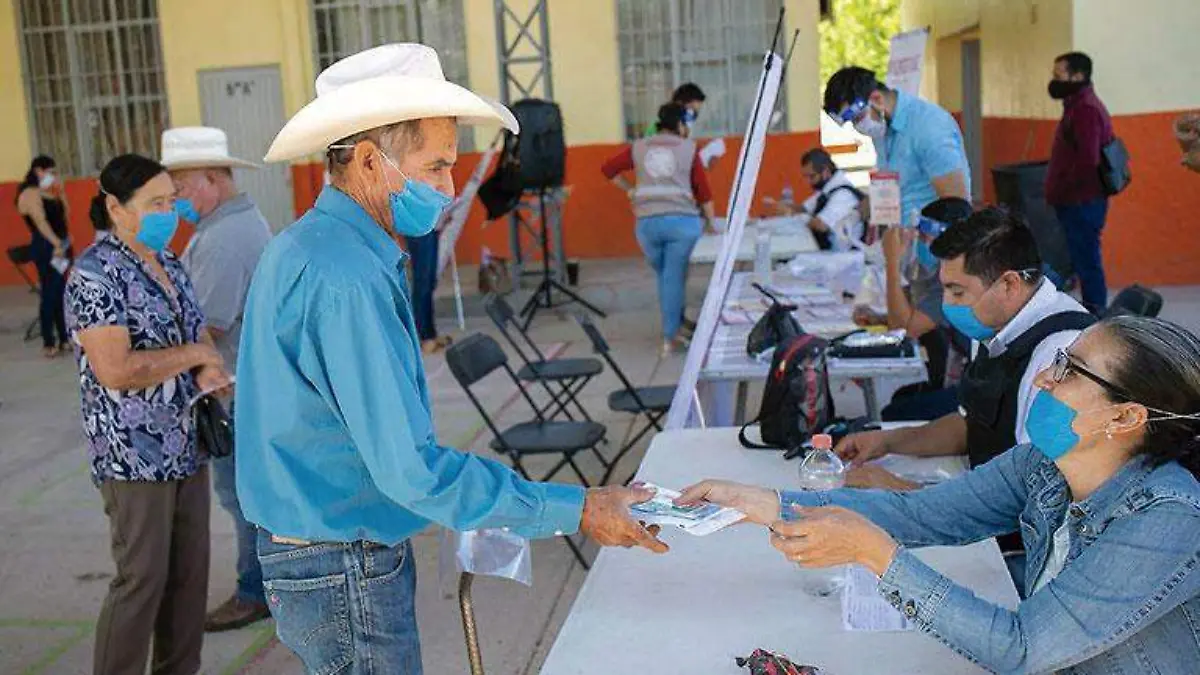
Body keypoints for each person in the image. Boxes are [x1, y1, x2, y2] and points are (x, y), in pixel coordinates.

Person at [237, 43, 667, 674]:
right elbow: (412, 471)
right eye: (436, 167)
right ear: (367, 161)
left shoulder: (309, 245)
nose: (447, 187)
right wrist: (581, 507)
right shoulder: (347, 274)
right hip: (341, 559)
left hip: (317, 548)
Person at [681, 315, 1200, 675]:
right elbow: (920, 515)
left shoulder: (1168, 519)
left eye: (1068, 369)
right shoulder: (1043, 465)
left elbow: (1022, 648)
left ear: (1126, 417)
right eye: (1058, 358)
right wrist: (759, 502)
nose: (1043, 375)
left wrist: (875, 554)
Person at [64, 154, 233, 675]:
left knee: (188, 577)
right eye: (155, 204)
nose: (169, 212)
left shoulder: (170, 263)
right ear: (115, 207)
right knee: (142, 579)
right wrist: (194, 358)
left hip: (186, 443)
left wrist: (207, 368)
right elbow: (116, 369)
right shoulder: (94, 276)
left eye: (171, 201)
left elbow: (197, 331)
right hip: (132, 456)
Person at [838, 208, 1092, 497]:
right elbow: (971, 425)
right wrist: (886, 441)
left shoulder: (1059, 356)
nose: (947, 304)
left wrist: (903, 492)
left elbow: (1040, 494)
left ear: (1009, 284)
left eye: (957, 292)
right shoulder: (996, 327)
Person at [161, 126, 274, 632]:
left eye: (181, 189)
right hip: (244, 385)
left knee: (240, 495)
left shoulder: (223, 240)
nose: (176, 201)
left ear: (212, 179)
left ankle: (255, 589)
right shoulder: (227, 227)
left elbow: (205, 325)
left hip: (233, 390)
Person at [603, 102, 716, 354]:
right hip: (682, 225)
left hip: (647, 225)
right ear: (679, 125)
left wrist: (629, 190)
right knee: (673, 278)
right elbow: (703, 192)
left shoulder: (639, 147)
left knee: (668, 277)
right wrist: (711, 222)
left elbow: (608, 169)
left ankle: (677, 323)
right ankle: (670, 337)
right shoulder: (688, 149)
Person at [855, 197, 974, 422]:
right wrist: (878, 317)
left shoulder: (955, 283)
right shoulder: (936, 274)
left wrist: (891, 262)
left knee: (893, 413)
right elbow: (912, 314)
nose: (919, 241)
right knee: (899, 400)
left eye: (925, 236)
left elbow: (903, 328)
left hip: (968, 393)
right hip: (946, 377)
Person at [1045, 52, 1114, 314]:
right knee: (1078, 261)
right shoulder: (1076, 105)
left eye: (1058, 75)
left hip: (1082, 202)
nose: (1054, 81)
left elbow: (1088, 159)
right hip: (1073, 201)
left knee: (1087, 263)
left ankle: (1096, 317)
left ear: (1078, 76)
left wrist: (1063, 186)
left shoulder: (1085, 109)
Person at [16, 155, 71, 357]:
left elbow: (65, 215)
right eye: (51, 172)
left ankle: (64, 338)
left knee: (61, 292)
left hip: (62, 244)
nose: (54, 176)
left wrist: (61, 193)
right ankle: (49, 341)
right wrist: (56, 243)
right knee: (49, 293)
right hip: (47, 246)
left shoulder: (50, 192)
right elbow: (40, 222)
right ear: (39, 171)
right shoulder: (29, 194)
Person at [769, 147, 865, 251]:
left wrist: (792, 214)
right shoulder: (827, 189)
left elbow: (821, 225)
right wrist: (780, 205)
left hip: (840, 256)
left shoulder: (843, 195)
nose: (808, 182)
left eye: (812, 177)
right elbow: (804, 208)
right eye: (806, 177)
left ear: (825, 171)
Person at [405, 228, 451, 354]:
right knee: (423, 280)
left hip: (431, 225)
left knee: (429, 281)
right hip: (419, 227)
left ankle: (431, 333)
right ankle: (424, 337)